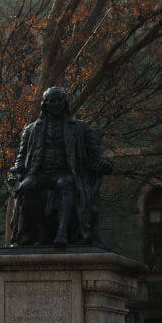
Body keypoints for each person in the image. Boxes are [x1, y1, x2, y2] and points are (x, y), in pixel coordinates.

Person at [8, 86, 113, 247]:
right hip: (39, 174)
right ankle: (41, 231)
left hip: (66, 173)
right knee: (27, 187)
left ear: (64, 103)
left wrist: (103, 164)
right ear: (45, 104)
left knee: (65, 184)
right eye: (52, 101)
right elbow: (21, 158)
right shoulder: (31, 130)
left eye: (59, 100)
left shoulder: (80, 128)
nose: (56, 104)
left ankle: (62, 232)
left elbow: (95, 155)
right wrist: (16, 171)